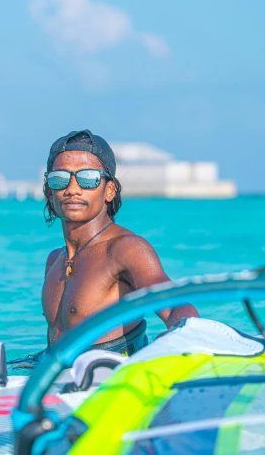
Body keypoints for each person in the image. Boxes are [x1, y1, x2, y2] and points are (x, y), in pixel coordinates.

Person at [41, 129, 199, 356]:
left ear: (109, 190)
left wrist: (189, 343)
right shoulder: (55, 259)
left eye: (88, 179)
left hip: (107, 373)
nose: (72, 190)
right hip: (53, 371)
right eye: (60, 179)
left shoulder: (126, 249)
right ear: (49, 190)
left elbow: (175, 306)